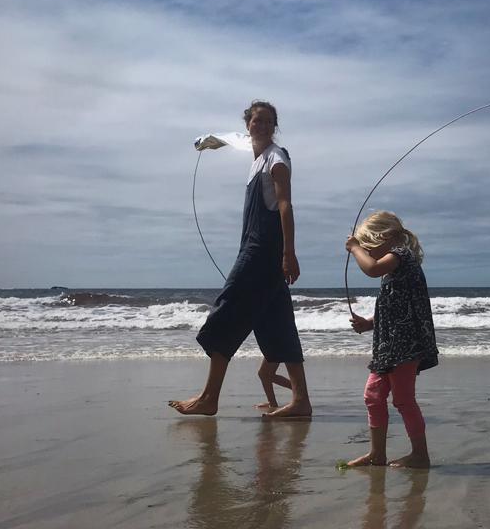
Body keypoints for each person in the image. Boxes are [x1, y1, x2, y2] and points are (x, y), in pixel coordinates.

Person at [169, 101, 312, 418]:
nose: (261, 125)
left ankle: (210, 397)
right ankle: (301, 401)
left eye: (268, 121)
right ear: (248, 124)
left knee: (228, 310)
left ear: (275, 127)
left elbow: (285, 204)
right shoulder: (255, 157)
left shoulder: (276, 156)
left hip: (263, 250)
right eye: (256, 120)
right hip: (254, 246)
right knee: (278, 326)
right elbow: (231, 138)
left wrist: (289, 253)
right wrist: (209, 142)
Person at [345, 211, 438, 468]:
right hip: (388, 347)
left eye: (369, 246)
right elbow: (396, 308)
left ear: (385, 237)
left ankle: (420, 454)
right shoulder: (393, 271)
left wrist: (354, 249)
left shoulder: (400, 256)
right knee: (373, 396)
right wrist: (369, 324)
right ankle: (377, 454)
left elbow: (371, 269)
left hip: (405, 346)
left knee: (403, 400)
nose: (369, 252)